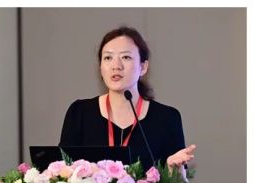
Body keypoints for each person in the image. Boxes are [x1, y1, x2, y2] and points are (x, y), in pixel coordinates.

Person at [59, 26, 196, 171]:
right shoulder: (80, 113)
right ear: (100, 67)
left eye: (126, 57)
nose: (116, 66)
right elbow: (61, 173)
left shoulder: (167, 118)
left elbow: (178, 181)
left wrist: (172, 171)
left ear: (143, 67)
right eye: (108, 58)